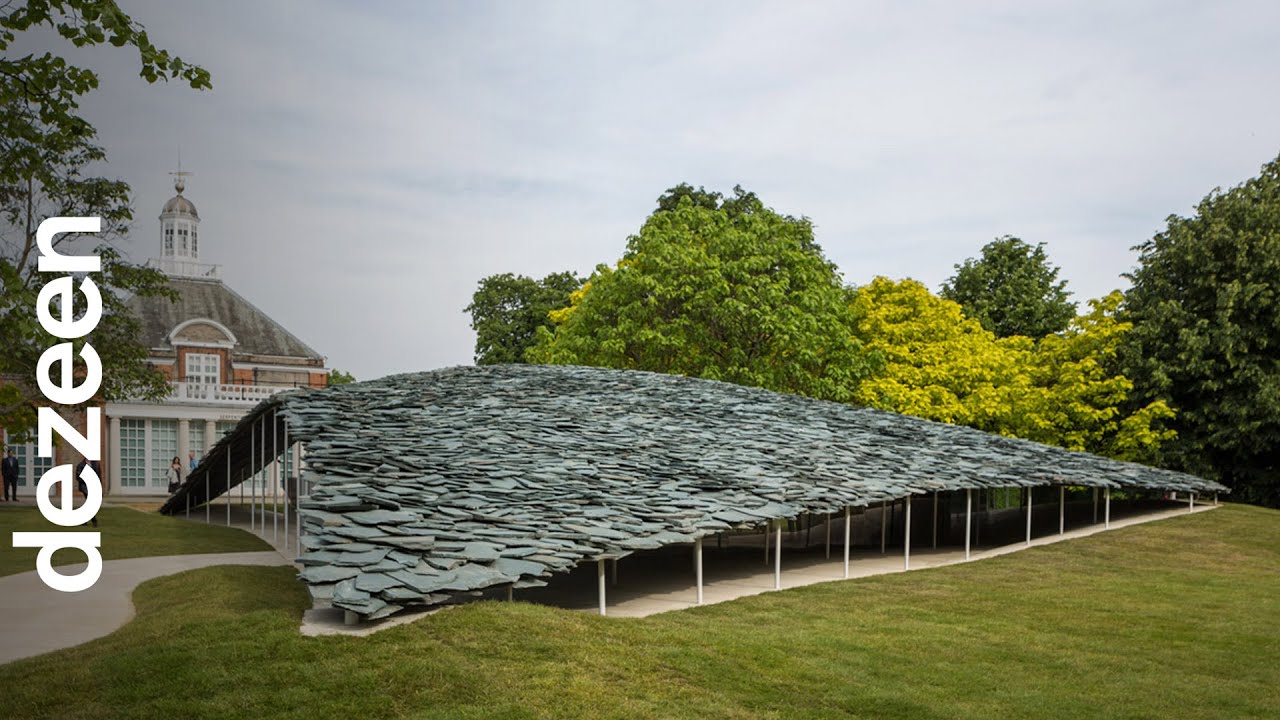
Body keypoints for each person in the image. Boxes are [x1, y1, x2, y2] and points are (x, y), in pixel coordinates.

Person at [73, 457, 101, 527]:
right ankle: (94, 521)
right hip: (85, 487)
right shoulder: (81, 465)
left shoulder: (96, 464)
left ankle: (84, 521)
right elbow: (78, 477)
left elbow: (99, 476)